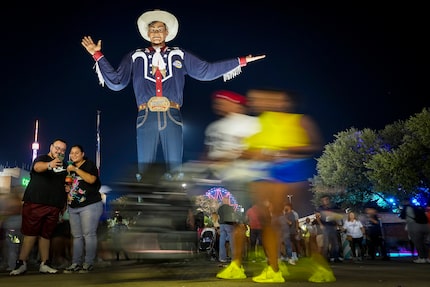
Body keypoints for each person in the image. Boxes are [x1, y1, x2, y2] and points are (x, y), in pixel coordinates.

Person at [81, 9, 265, 181]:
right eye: (152, 29)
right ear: (147, 33)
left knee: (175, 168)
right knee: (144, 168)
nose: (156, 32)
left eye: (160, 29)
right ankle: (143, 210)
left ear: (167, 32)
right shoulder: (135, 56)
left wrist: (241, 61)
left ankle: (177, 210)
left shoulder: (179, 54)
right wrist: (97, 55)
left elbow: (206, 71)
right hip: (146, 115)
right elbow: (117, 82)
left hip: (172, 114)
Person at [216, 89, 334, 283]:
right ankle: (275, 268)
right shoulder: (261, 123)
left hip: (297, 177)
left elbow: (313, 145)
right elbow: (250, 150)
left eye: (269, 97)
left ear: (283, 101)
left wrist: (280, 151)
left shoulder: (300, 121)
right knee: (268, 221)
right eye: (259, 98)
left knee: (306, 228)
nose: (261, 101)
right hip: (274, 178)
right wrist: (232, 156)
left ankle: (320, 266)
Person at [10, 139, 68, 275]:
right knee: (31, 233)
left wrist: (63, 203)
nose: (59, 151)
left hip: (54, 205)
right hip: (36, 202)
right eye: (57, 148)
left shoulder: (64, 166)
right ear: (51, 147)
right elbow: (37, 167)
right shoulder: (42, 158)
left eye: (63, 150)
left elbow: (64, 185)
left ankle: (45, 263)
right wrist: (50, 165)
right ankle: (21, 263)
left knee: (46, 235)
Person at [63, 145, 103, 273]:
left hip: (90, 205)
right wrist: (67, 189)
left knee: (89, 234)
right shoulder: (69, 169)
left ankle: (88, 263)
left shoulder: (89, 165)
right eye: (71, 153)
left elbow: (91, 179)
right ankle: (75, 263)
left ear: (82, 154)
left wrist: (75, 169)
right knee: (77, 236)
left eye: (76, 153)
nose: (73, 155)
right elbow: (70, 184)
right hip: (74, 206)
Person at [399, 198, 429, 263]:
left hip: (414, 226)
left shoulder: (406, 208)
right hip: (425, 226)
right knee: (425, 243)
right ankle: (426, 257)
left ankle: (421, 258)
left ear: (404, 202)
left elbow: (402, 216)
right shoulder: (417, 207)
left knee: (418, 243)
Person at [315, 195, 343, 263]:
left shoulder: (333, 207)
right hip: (325, 227)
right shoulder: (320, 208)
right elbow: (317, 217)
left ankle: (335, 257)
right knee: (326, 243)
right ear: (322, 201)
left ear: (328, 200)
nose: (325, 201)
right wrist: (321, 225)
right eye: (323, 200)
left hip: (333, 226)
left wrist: (337, 224)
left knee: (335, 243)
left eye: (326, 199)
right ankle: (326, 258)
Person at [217, 196, 236, 263]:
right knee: (232, 241)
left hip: (222, 225)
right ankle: (234, 258)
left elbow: (218, 217)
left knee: (222, 242)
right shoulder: (230, 208)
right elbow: (233, 216)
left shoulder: (220, 208)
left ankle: (222, 258)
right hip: (229, 224)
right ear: (227, 201)